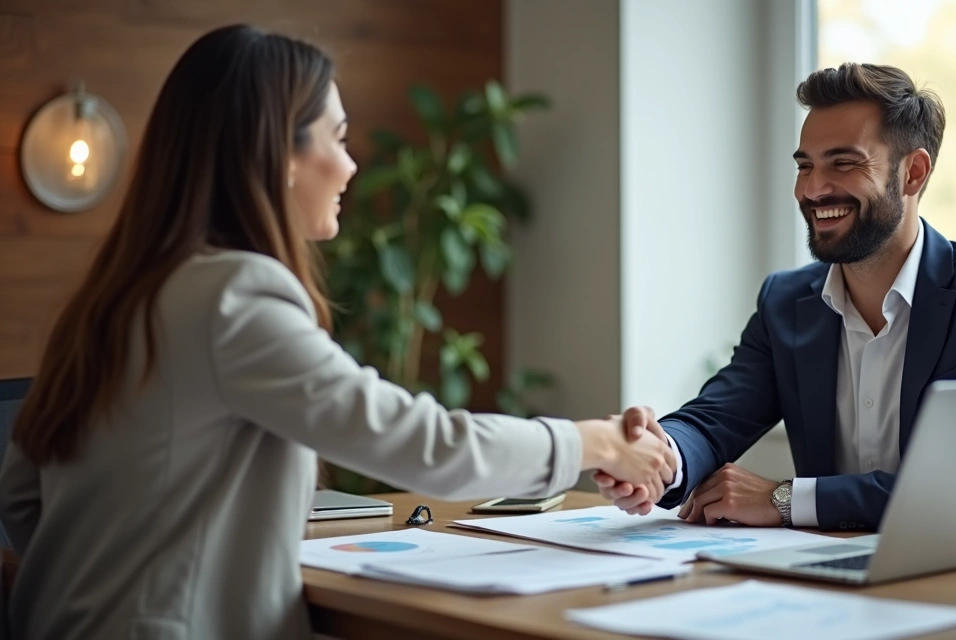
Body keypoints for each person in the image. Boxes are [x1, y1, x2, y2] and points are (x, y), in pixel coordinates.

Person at [0, 24, 674, 640]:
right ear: (281, 155)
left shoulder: (105, 301)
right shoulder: (235, 294)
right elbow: (418, 442)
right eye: (339, 138)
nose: (351, 166)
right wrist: (592, 442)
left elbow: (23, 495)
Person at [594, 62, 956, 549]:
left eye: (843, 163)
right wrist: (659, 456)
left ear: (913, 172)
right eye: (805, 165)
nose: (812, 189)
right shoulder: (786, 302)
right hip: (843, 575)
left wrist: (785, 500)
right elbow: (717, 417)